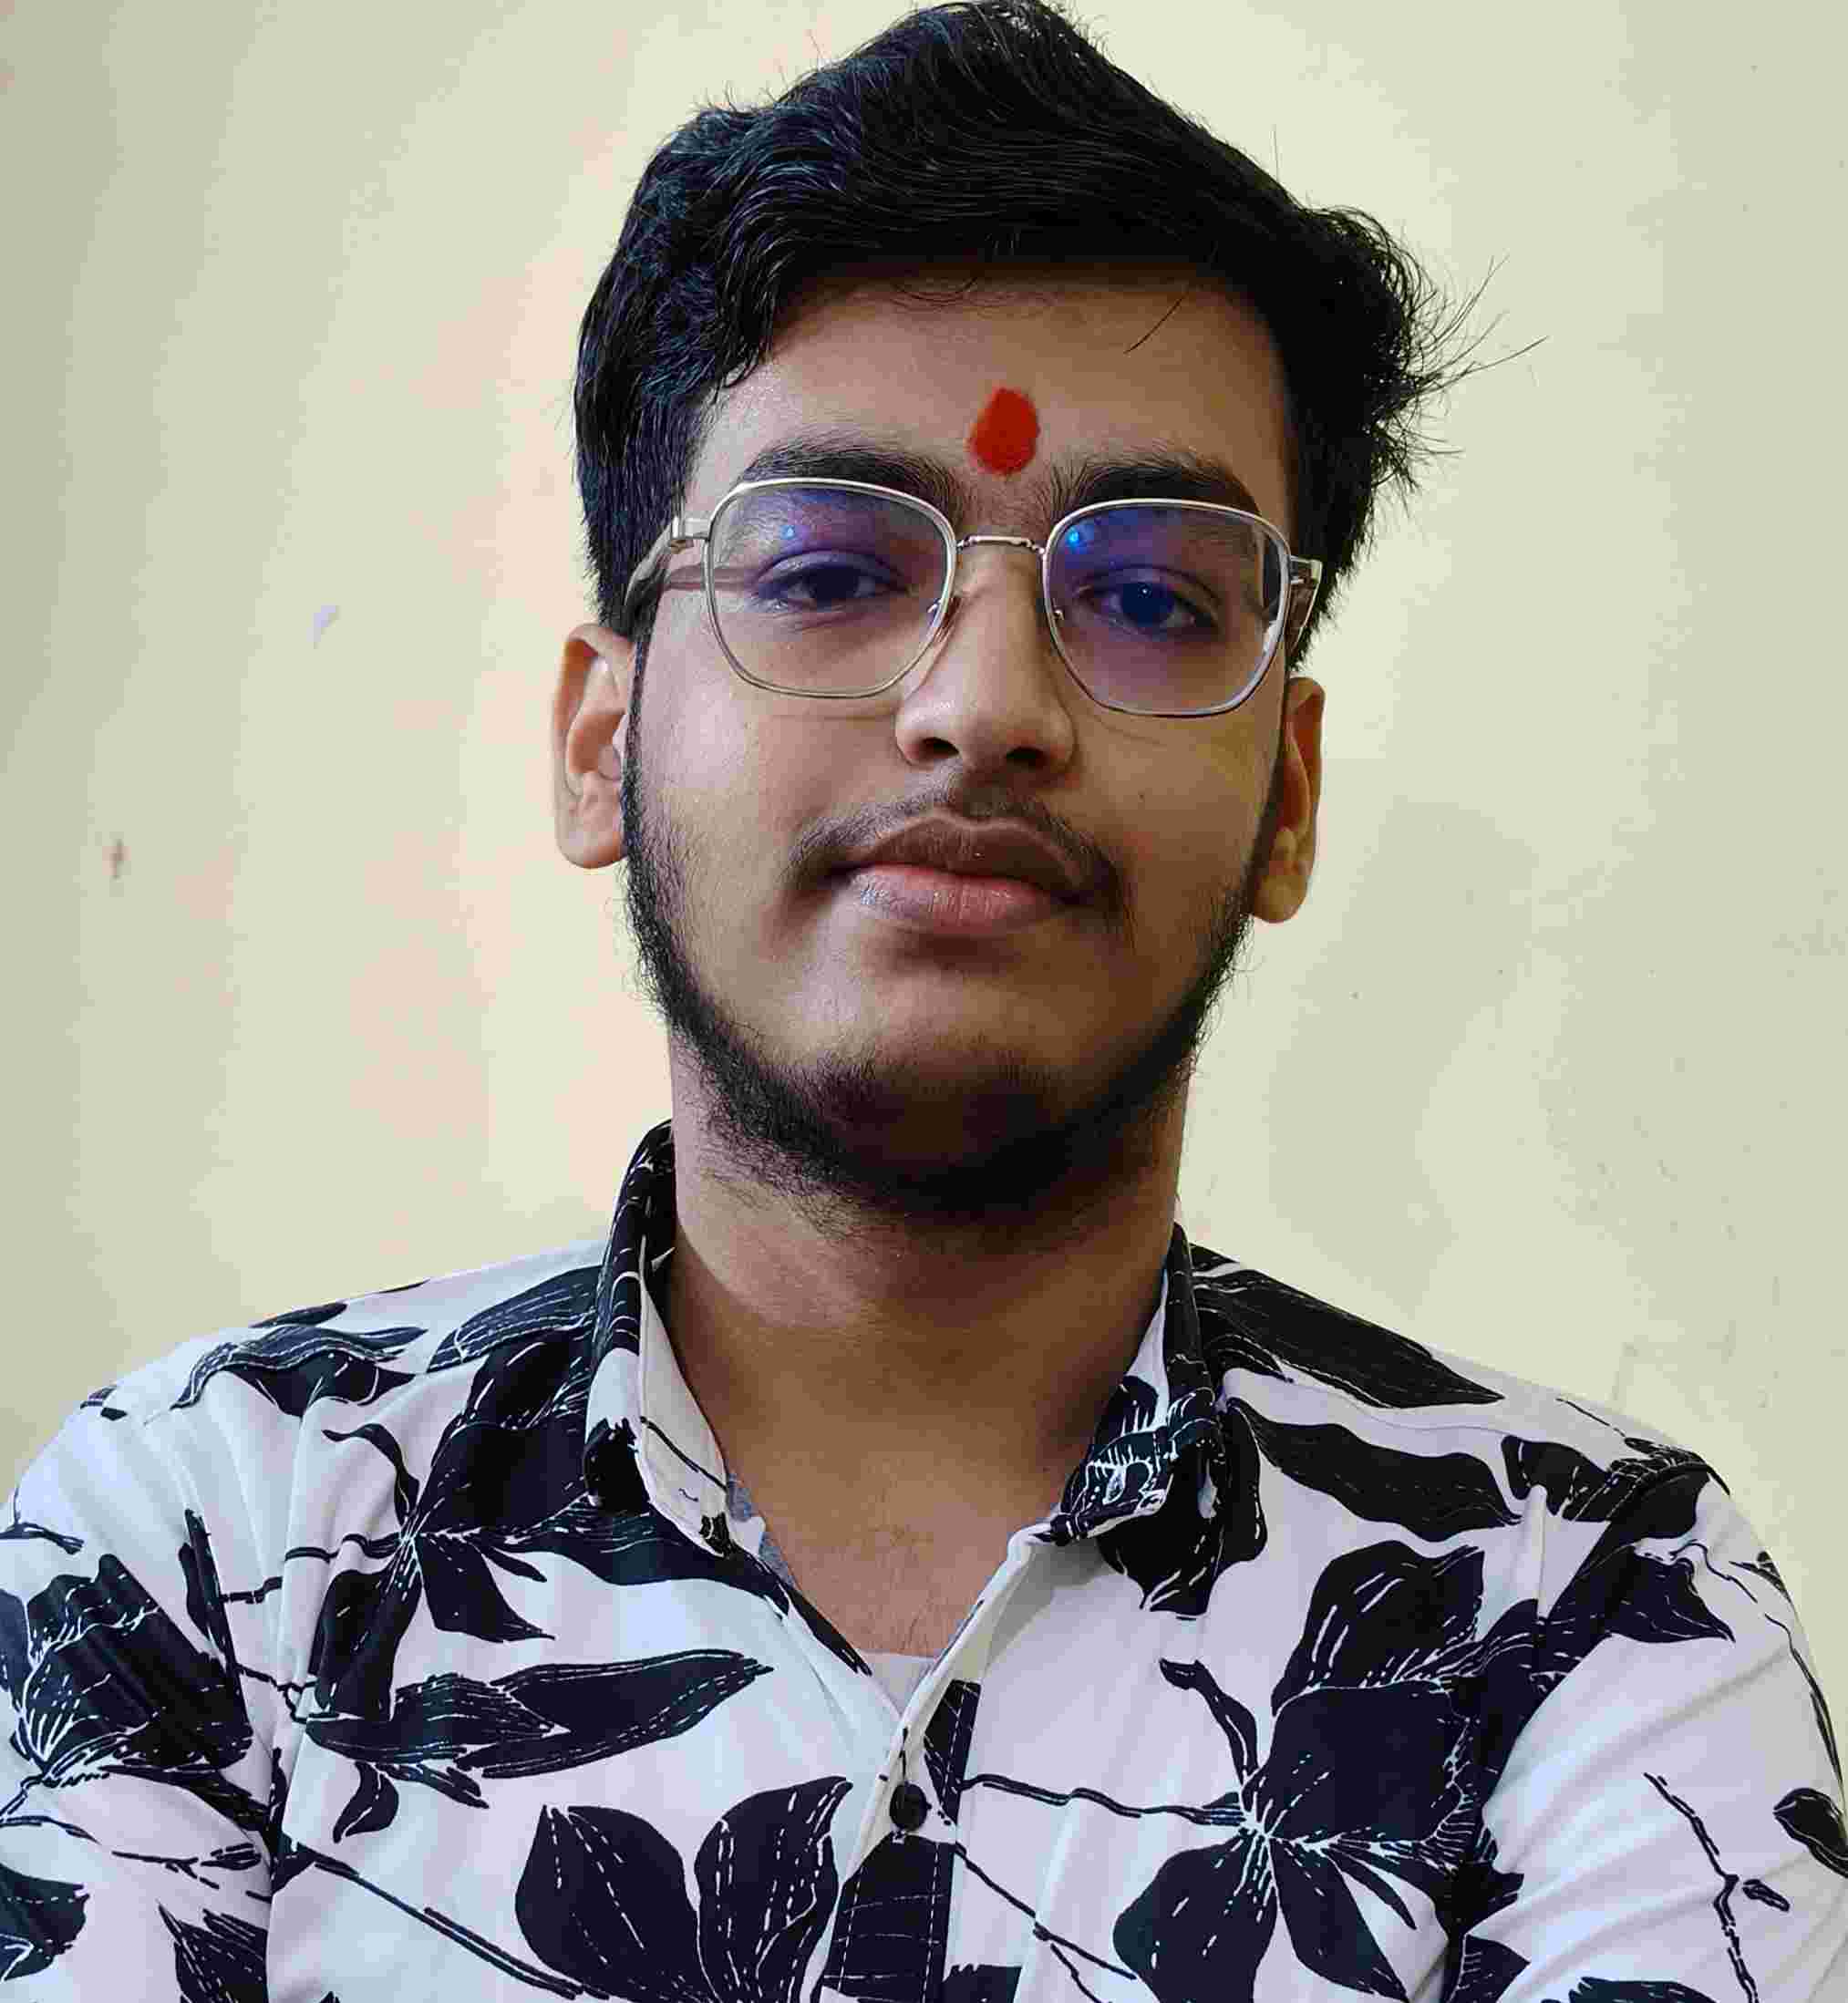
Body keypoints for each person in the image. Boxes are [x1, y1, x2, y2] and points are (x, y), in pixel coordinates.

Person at [5, 1, 1843, 1996]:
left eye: (1149, 596)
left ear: (1292, 792)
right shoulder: (208, 1544)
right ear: (601, 741)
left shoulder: (1588, 1610)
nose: (984, 704)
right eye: (823, 569)